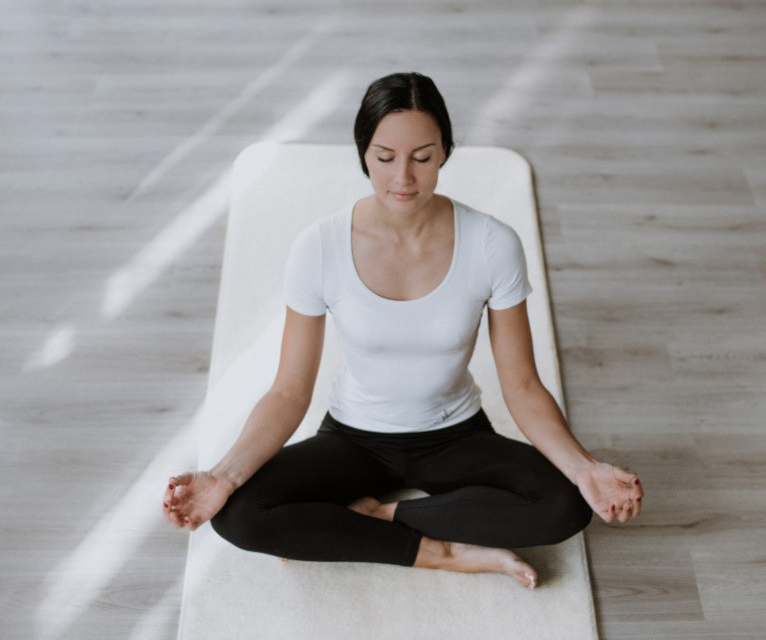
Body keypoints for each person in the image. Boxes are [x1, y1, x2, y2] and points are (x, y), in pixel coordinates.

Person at [162, 72, 643, 590]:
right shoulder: (319, 248)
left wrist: (583, 468)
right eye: (385, 157)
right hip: (354, 438)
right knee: (238, 513)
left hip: (455, 434)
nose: (403, 178)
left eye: (422, 156)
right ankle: (445, 553)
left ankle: (379, 517)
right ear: (364, 154)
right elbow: (288, 390)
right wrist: (221, 476)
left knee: (564, 505)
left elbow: (522, 386)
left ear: (445, 153)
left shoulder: (491, 244)